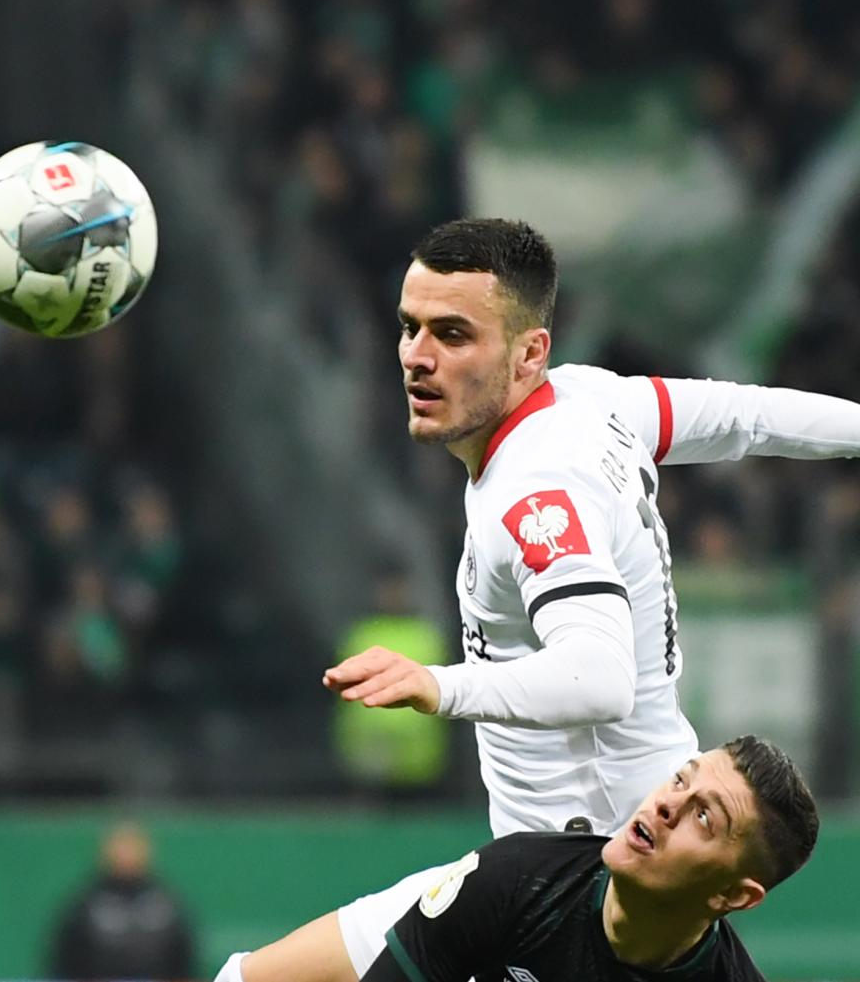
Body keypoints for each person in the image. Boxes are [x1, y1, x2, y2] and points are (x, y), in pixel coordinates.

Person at [310, 216, 855, 979]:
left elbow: (599, 675)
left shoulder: (535, 492)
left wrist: (438, 685)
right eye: (410, 327)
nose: (417, 358)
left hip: (579, 884)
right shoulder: (592, 401)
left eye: (454, 334)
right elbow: (748, 417)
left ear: (530, 352)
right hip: (574, 858)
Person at [214, 735, 818, 982]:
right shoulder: (518, 880)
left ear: (734, 897)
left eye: (705, 816)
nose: (667, 805)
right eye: (679, 782)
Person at [48, 821, 198, 981]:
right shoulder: (86, 903)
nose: (126, 855)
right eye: (121, 848)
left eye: (132, 848)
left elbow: (184, 961)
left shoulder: (166, 902)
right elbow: (64, 961)